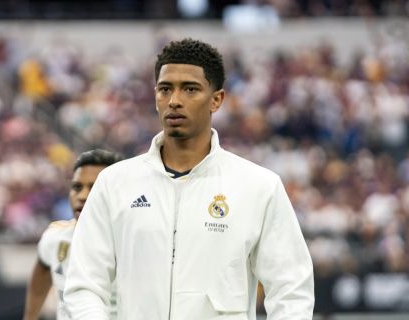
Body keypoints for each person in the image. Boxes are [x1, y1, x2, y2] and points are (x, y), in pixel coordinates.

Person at [64, 38, 314, 320]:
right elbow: (84, 284)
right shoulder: (114, 183)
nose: (174, 100)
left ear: (217, 99)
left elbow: (291, 290)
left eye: (190, 89)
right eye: (165, 89)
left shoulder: (259, 187)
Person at [23, 149, 123, 320]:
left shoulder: (134, 241)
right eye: (77, 187)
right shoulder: (55, 237)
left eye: (94, 187)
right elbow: (42, 268)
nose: (82, 196)